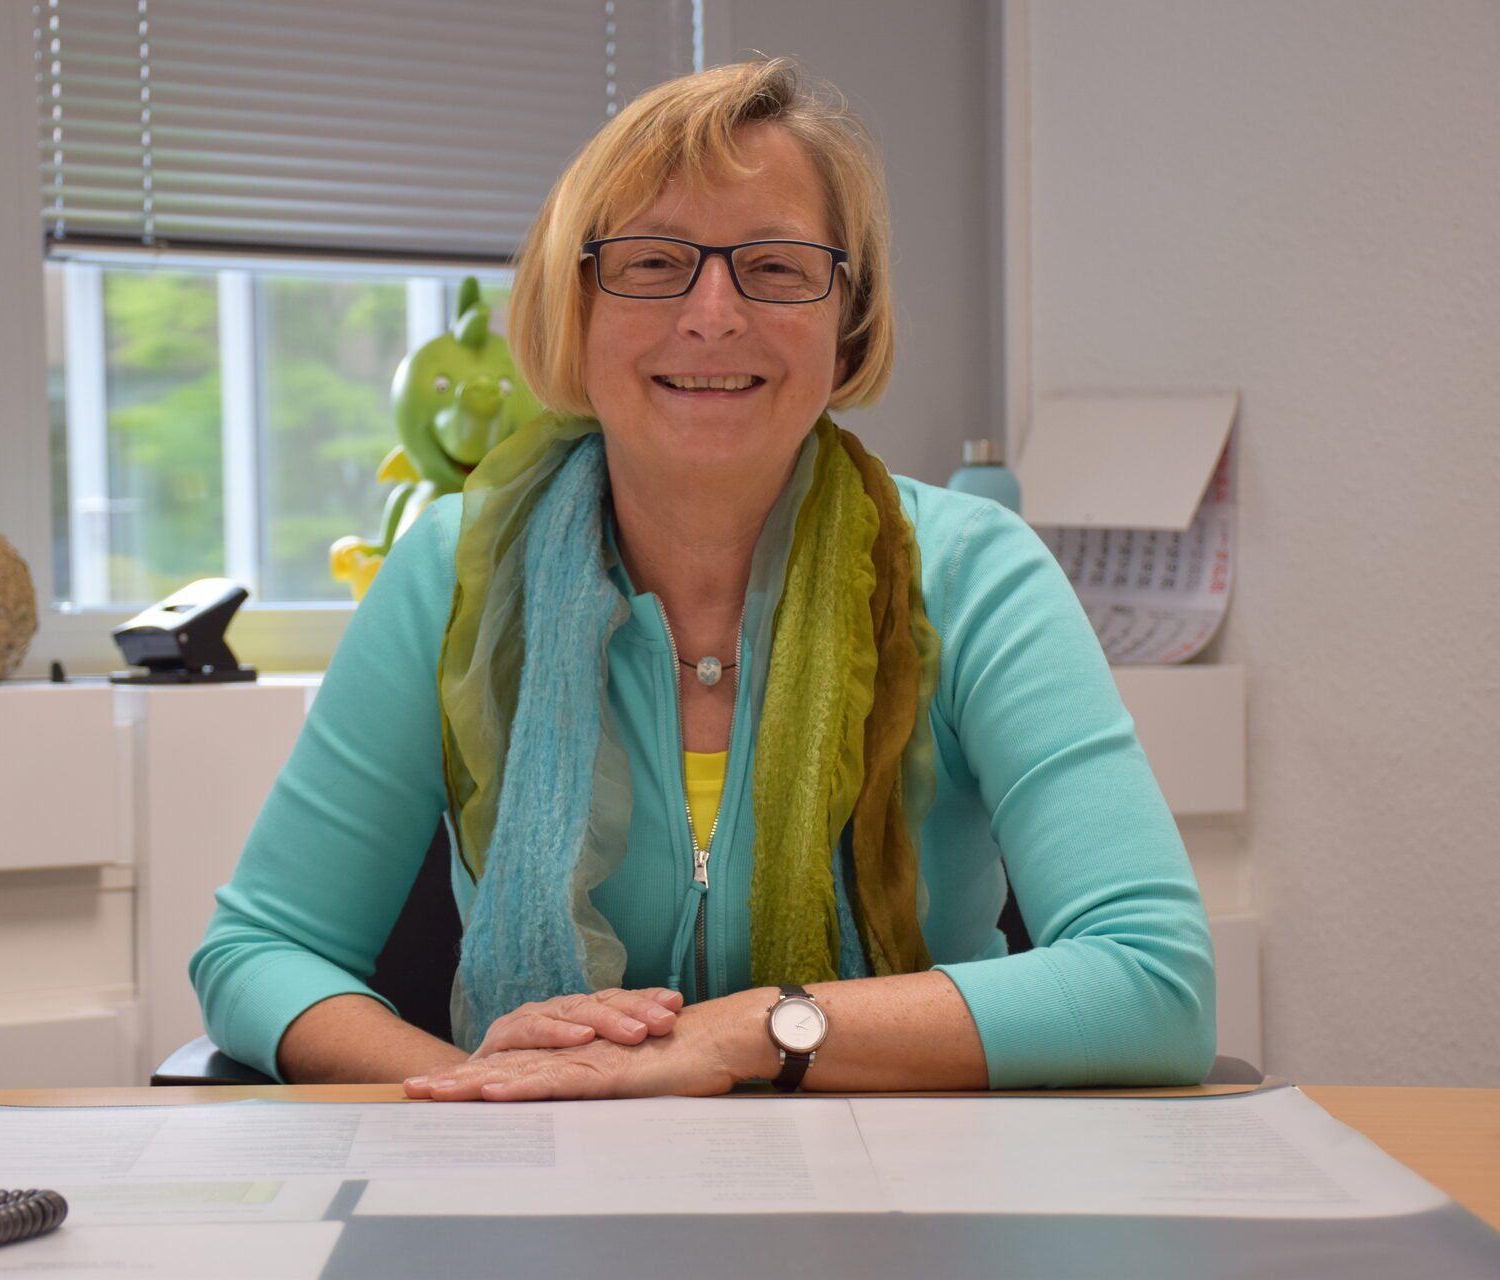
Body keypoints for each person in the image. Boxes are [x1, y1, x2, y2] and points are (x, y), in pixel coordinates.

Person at [190, 59, 1215, 1100]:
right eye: (651, 263)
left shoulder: (975, 573)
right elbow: (262, 951)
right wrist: (481, 1092)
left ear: (849, 319)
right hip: (536, 1175)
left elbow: (1154, 983)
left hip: (909, 1178)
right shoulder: (450, 574)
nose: (714, 313)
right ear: (572, 305)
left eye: (776, 265)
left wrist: (751, 1034)